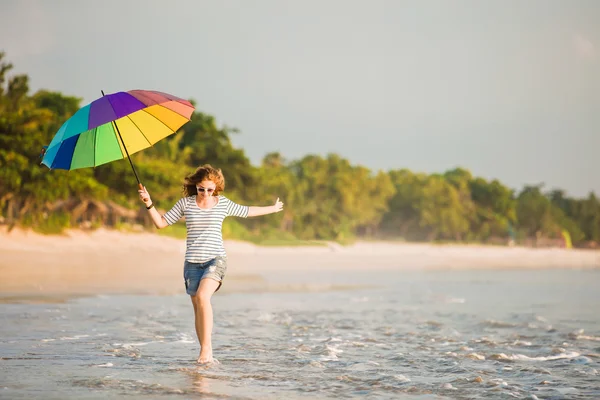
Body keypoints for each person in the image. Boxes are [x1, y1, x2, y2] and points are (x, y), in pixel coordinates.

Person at [138, 164, 283, 364]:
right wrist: (149, 203)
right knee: (198, 305)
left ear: (216, 188)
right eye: (201, 189)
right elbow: (161, 223)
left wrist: (273, 208)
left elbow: (247, 211)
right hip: (191, 263)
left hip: (216, 259)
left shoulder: (222, 203)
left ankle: (205, 351)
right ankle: (206, 352)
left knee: (203, 296)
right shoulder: (185, 204)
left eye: (209, 189)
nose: (205, 193)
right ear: (195, 186)